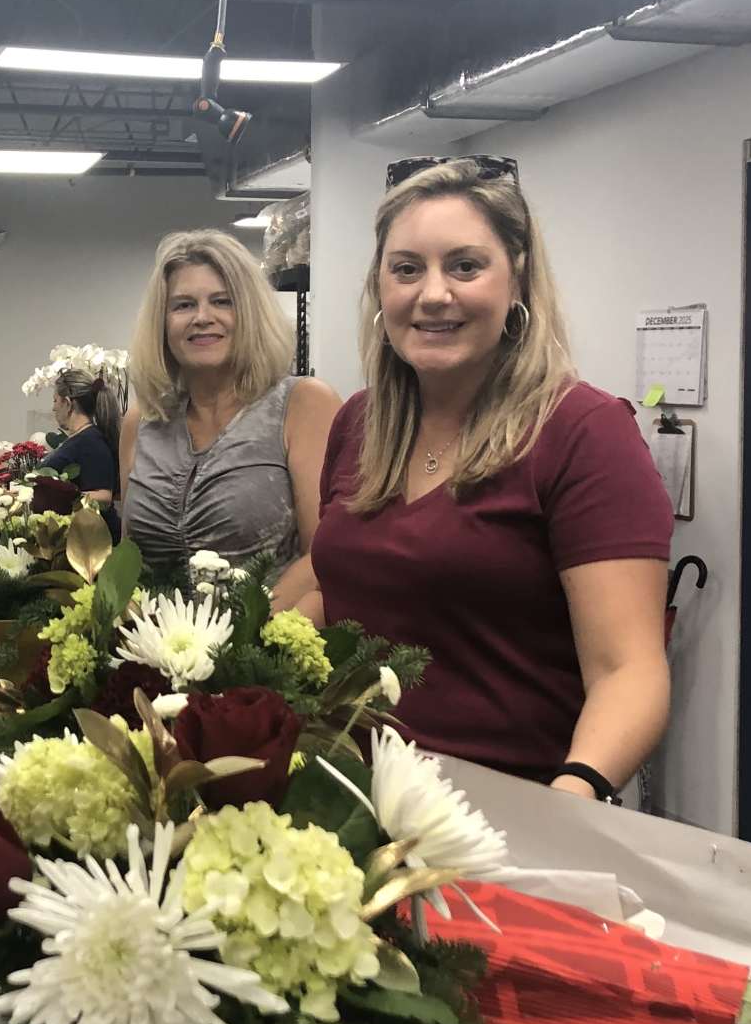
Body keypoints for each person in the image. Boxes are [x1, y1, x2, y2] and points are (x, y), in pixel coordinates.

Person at [310, 156, 673, 799]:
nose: (433, 294)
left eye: (465, 265)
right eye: (406, 269)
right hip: (347, 802)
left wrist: (573, 795)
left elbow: (629, 672)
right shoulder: (358, 425)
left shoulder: (584, 432)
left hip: (508, 818)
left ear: (517, 281)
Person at [121, 229, 341, 608]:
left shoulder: (304, 404)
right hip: (155, 655)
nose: (203, 318)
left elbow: (323, 557)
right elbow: (129, 561)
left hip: (266, 653)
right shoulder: (141, 422)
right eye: (183, 305)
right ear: (162, 323)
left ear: (250, 314)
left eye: (222, 302)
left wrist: (239, 643)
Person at [39, 367, 122, 532]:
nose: (53, 408)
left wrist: (63, 496)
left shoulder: (92, 442)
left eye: (55, 401)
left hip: (94, 542)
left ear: (68, 403)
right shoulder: (81, 438)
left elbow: (104, 496)